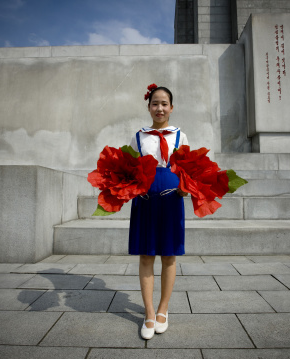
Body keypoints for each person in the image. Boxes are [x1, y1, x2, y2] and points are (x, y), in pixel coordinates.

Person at [128, 84, 189, 340]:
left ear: (171, 108)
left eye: (164, 104)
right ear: (148, 106)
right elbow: (129, 169)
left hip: (172, 201)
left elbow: (188, 168)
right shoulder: (139, 137)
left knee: (169, 255)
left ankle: (164, 308)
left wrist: (186, 187)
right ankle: (149, 313)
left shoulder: (180, 136)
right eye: (155, 103)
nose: (160, 108)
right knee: (145, 256)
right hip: (145, 201)